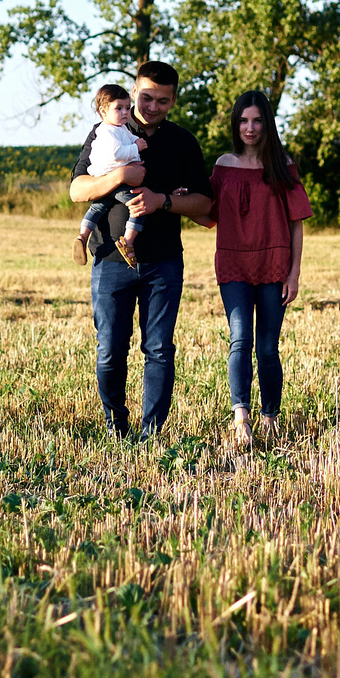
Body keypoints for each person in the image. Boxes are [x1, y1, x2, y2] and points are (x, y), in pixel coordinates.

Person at [67, 61, 213, 438]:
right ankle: (116, 426)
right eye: (146, 97)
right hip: (110, 259)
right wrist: (120, 177)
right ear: (133, 92)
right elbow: (77, 190)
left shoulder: (182, 142)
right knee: (110, 351)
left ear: (173, 100)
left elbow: (204, 205)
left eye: (162, 100)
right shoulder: (107, 129)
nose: (151, 106)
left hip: (163, 261)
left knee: (160, 349)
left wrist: (161, 200)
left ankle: (152, 435)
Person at [210, 89, 310, 448]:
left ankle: (270, 417)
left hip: (274, 265)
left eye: (256, 120)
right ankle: (241, 416)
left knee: (267, 347)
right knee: (240, 339)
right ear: (235, 124)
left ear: (267, 123)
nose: (249, 128)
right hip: (234, 262)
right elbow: (207, 211)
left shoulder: (282, 165)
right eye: (243, 121)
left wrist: (294, 273)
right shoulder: (223, 165)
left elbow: (297, 222)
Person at [74, 83, 148, 266]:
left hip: (106, 179)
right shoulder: (107, 132)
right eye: (119, 108)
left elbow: (129, 138)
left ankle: (82, 236)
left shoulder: (118, 128)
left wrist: (135, 141)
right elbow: (117, 153)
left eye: (127, 108)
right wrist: (136, 148)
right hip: (112, 178)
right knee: (138, 206)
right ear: (103, 111)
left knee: (98, 207)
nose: (125, 112)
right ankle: (128, 241)